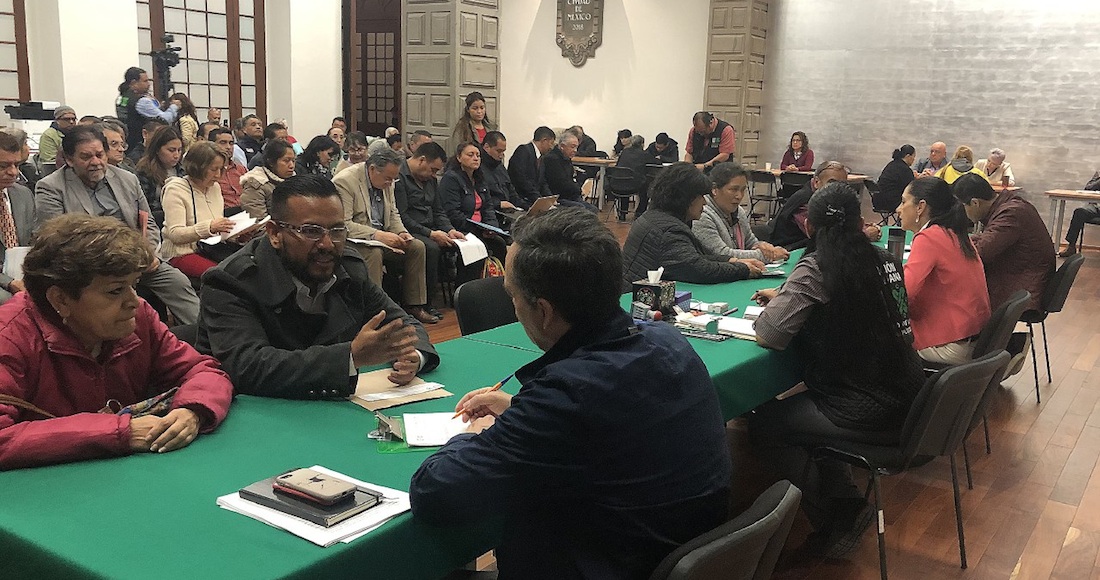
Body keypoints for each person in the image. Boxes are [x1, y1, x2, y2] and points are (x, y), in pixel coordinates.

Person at [410, 208, 731, 579]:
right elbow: (606, 424)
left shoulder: (569, 394)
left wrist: (474, 435)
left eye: (513, 296)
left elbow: (435, 492)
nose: (513, 306)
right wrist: (520, 410)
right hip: (667, 551)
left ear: (544, 311)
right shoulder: (667, 340)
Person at [748, 182, 925, 558]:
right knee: (803, 409)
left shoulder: (816, 267)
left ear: (809, 227)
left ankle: (839, 514)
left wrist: (785, 300)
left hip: (864, 406)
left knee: (766, 425)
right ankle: (842, 496)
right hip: (911, 392)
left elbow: (769, 334)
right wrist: (789, 296)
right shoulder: (887, 260)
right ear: (861, 223)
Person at [0, 214, 232, 469]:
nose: (134, 301)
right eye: (115, 290)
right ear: (60, 299)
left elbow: (202, 371)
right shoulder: (9, 336)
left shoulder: (139, 318)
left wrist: (192, 410)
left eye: (134, 285)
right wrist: (120, 432)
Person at [196, 175, 438, 398]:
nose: (327, 244)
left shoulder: (349, 267)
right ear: (275, 234)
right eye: (311, 231)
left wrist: (413, 356)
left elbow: (401, 323)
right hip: (255, 413)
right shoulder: (230, 281)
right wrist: (349, 357)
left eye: (337, 230)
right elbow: (248, 367)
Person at [35, 126, 201, 325]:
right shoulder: (51, 187)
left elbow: (147, 222)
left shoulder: (127, 179)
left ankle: (203, 335)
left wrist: (148, 253)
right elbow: (56, 239)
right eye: (86, 157)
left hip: (137, 258)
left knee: (177, 282)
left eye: (99, 155)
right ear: (69, 160)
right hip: (90, 266)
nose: (95, 162)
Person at [333, 147, 437, 324]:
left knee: (417, 246)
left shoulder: (388, 181)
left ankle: (414, 306)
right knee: (374, 253)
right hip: (355, 240)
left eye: (394, 178)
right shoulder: (345, 181)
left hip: (382, 237)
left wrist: (402, 232)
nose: (391, 182)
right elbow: (344, 224)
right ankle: (375, 311)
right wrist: (378, 235)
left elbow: (393, 213)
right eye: (388, 178)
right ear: (373, 169)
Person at [622, 162, 762, 289]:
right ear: (686, 198)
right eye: (701, 196)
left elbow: (695, 258)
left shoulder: (657, 218)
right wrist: (742, 269)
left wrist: (732, 260)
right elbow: (698, 269)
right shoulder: (669, 231)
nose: (705, 202)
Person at [897, 177, 991, 364]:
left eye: (903, 202)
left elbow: (903, 293)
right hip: (973, 339)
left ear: (920, 207)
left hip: (950, 345)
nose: (898, 209)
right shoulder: (955, 233)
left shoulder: (929, 237)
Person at [954, 173, 1055, 312]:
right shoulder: (1008, 205)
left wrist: (951, 245)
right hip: (1023, 275)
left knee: (953, 289)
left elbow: (980, 253)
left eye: (962, 207)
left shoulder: (1010, 213)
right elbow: (987, 239)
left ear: (975, 203)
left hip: (1023, 285)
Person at [395, 142, 464, 319]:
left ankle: (462, 297)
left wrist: (449, 229)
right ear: (422, 160)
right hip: (409, 229)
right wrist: (431, 234)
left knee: (461, 243)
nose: (434, 175)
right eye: (433, 170)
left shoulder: (431, 181)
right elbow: (402, 217)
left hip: (430, 227)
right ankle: (424, 303)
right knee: (431, 248)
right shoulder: (399, 177)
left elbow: (438, 210)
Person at [160, 142, 235, 278]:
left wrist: (236, 234)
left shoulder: (214, 187)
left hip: (211, 249)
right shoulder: (175, 189)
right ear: (197, 168)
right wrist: (209, 227)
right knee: (223, 277)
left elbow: (217, 230)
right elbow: (175, 234)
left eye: (221, 169)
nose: (218, 175)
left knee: (245, 267)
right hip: (181, 253)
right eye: (213, 169)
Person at [694, 161, 790, 263]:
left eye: (743, 190)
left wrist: (764, 247)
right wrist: (771, 255)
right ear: (714, 189)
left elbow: (750, 243)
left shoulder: (739, 211)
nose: (739, 196)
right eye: (733, 189)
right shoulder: (701, 215)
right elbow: (722, 254)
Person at [439, 142, 509, 278]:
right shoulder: (451, 178)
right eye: (470, 155)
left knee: (499, 243)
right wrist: (478, 230)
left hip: (480, 229)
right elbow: (452, 213)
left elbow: (488, 207)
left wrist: (491, 227)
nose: (475, 158)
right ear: (459, 157)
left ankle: (498, 283)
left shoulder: (480, 178)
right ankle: (466, 286)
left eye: (478, 155)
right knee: (477, 246)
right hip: (460, 229)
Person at [767, 161, 868, 249]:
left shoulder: (832, 198)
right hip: (790, 249)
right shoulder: (805, 202)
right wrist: (865, 233)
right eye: (831, 183)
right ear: (816, 182)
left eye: (842, 184)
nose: (837, 188)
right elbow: (824, 234)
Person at [0, 131, 37, 304]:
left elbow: (34, 240)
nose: (13, 172)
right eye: (3, 166)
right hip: (6, 282)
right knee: (10, 301)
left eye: (16, 164)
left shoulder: (23, 194)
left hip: (24, 273)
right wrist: (8, 282)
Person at [115, 67, 179, 152]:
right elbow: (165, 120)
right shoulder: (142, 101)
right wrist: (174, 106)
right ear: (134, 83)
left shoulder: (121, 97)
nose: (148, 84)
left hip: (128, 142)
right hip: (141, 146)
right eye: (145, 81)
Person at [135, 126, 185, 227]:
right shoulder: (144, 172)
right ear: (157, 149)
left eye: (179, 150)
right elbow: (143, 209)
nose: (176, 155)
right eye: (171, 150)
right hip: (157, 223)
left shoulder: (182, 170)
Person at [239, 139, 295, 219]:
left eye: (293, 161)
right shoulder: (256, 184)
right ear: (271, 162)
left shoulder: (295, 180)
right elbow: (257, 221)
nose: (292, 165)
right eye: (286, 161)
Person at [542, 131, 597, 212]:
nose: (575, 150)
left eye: (576, 147)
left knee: (593, 209)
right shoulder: (552, 159)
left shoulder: (566, 158)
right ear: (562, 146)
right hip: (558, 197)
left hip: (570, 195)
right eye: (572, 147)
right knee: (581, 209)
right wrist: (579, 189)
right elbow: (561, 184)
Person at [481, 130, 530, 214]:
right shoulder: (477, 168)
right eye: (498, 151)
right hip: (492, 211)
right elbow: (478, 198)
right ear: (486, 147)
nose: (501, 155)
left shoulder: (500, 167)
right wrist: (499, 203)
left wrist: (527, 207)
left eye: (503, 151)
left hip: (508, 210)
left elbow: (512, 193)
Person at [507, 126, 555, 206]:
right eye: (551, 143)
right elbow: (521, 179)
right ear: (544, 140)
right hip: (521, 199)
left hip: (533, 198)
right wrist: (538, 198)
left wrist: (550, 198)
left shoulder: (541, 157)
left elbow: (542, 182)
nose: (551, 147)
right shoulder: (523, 151)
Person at [1061, 171, 1100, 256]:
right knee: (1079, 212)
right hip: (1095, 206)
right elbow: (1088, 188)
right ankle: (1071, 246)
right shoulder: (1098, 176)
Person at [614, 134, 653, 220]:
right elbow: (655, 162)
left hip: (617, 184)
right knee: (646, 187)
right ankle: (639, 213)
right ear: (642, 144)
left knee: (625, 184)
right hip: (635, 186)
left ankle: (622, 213)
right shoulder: (644, 154)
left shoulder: (624, 152)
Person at [210, 127, 246, 214]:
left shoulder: (241, 169)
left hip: (245, 212)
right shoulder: (209, 171)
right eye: (223, 143)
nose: (228, 147)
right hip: (222, 214)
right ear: (212, 145)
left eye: (231, 143)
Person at [37, 105, 78, 176]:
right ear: (57, 120)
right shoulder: (49, 135)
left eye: (73, 119)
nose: (71, 122)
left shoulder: (78, 133)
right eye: (66, 119)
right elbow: (49, 162)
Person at [876, 144, 916, 212]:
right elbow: (911, 187)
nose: (914, 160)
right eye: (913, 157)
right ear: (908, 156)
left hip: (878, 201)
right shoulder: (905, 169)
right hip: (892, 202)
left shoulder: (891, 164)